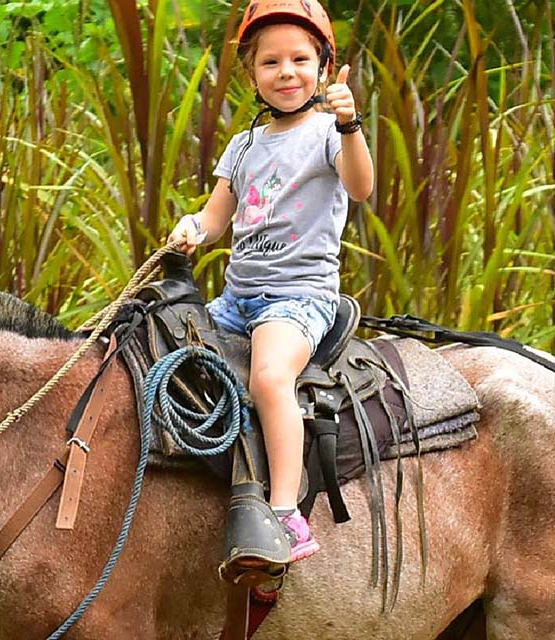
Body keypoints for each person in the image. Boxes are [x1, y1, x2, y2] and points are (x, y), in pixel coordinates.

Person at [168, 0, 374, 565]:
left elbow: (360, 187)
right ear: (251, 74)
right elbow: (215, 218)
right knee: (164, 350)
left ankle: (287, 512)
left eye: (301, 59)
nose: (287, 72)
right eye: (271, 62)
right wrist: (192, 229)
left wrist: (351, 123)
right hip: (238, 297)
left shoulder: (329, 134)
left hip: (299, 297)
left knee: (268, 376)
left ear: (324, 66)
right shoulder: (244, 146)